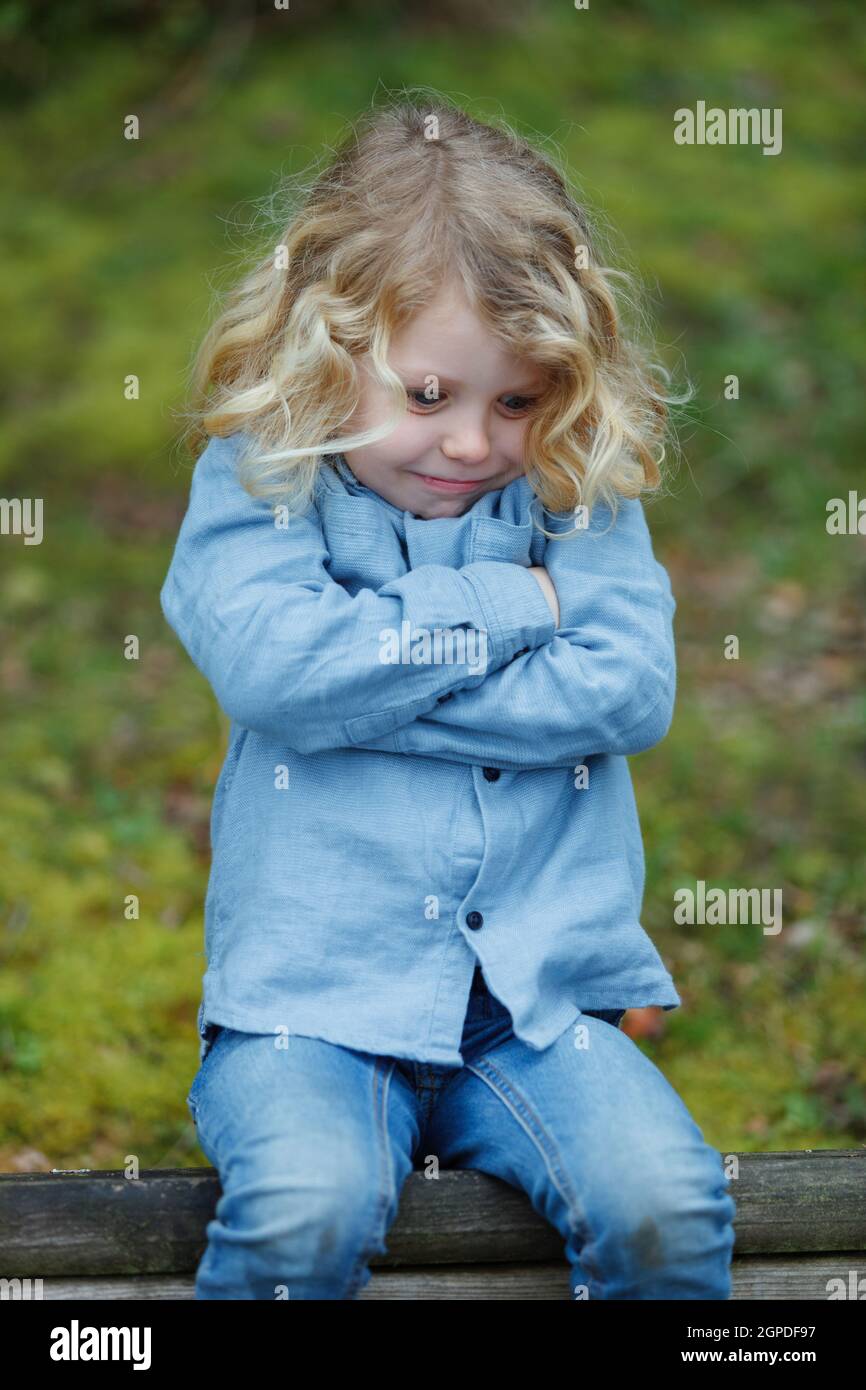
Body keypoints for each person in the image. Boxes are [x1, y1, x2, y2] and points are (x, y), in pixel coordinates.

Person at [161, 94, 736, 1299]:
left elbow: (625, 691)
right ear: (324, 349)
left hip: (531, 1012)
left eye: (515, 401)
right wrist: (518, 610)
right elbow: (275, 672)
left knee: (662, 1206)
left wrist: (356, 688)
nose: (473, 443)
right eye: (428, 396)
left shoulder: (578, 491)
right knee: (304, 1211)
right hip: (304, 1010)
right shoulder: (260, 486)